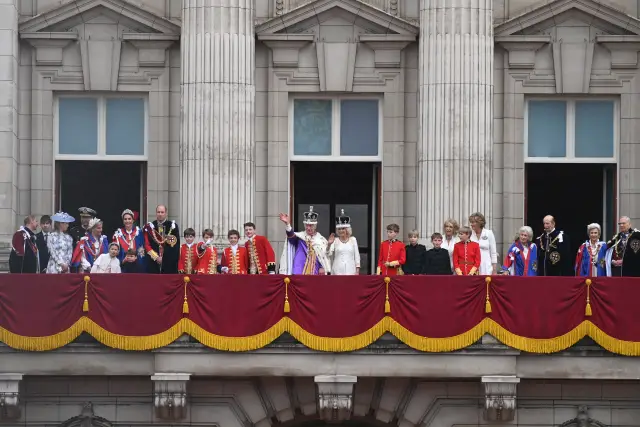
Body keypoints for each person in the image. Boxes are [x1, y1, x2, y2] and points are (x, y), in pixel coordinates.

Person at [278, 207, 331, 275]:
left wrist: (322, 267)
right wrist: (288, 224)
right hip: (299, 271)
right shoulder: (300, 237)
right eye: (306, 225)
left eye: (311, 226)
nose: (308, 228)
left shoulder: (321, 240)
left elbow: (323, 256)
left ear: (315, 226)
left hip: (315, 272)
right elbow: (291, 238)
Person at [144, 204, 180, 274]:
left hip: (169, 263)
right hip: (153, 262)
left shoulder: (173, 226)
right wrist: (156, 257)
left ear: (166, 213)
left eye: (162, 212)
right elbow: (147, 245)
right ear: (156, 213)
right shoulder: (150, 227)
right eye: (158, 212)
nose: (160, 214)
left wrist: (164, 258)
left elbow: (176, 246)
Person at [327, 210, 360, 275]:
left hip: (351, 271)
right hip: (337, 271)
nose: (341, 231)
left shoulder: (353, 240)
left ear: (347, 229)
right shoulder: (335, 240)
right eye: (339, 229)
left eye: (343, 228)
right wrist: (329, 244)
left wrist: (357, 270)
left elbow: (357, 256)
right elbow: (328, 254)